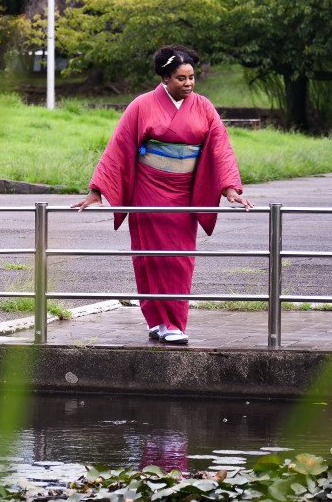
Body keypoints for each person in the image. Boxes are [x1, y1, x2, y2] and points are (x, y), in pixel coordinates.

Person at [71, 45, 253, 345]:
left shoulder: (204, 107)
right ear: (165, 78)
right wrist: (97, 190)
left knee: (179, 259)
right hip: (149, 191)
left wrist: (230, 187)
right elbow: (118, 147)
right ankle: (158, 320)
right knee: (150, 258)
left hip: (185, 193)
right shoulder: (142, 105)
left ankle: (173, 321)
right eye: (182, 78)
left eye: (192, 77)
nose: (189, 83)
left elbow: (220, 147)